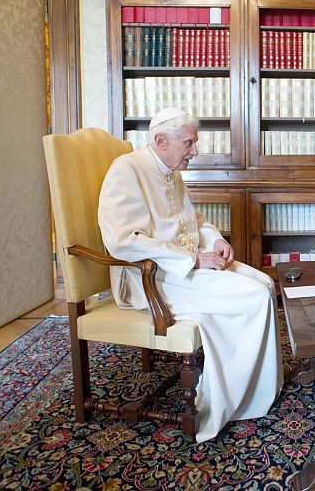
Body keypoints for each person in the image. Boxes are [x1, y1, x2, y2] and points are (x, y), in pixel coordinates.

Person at [98, 107, 283, 443]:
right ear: (160, 140)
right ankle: (238, 400)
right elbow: (122, 242)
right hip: (150, 279)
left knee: (266, 284)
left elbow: (193, 220)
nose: (195, 151)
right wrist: (193, 260)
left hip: (182, 266)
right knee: (254, 296)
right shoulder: (126, 170)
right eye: (188, 143)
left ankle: (261, 385)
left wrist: (216, 240)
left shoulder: (170, 171)